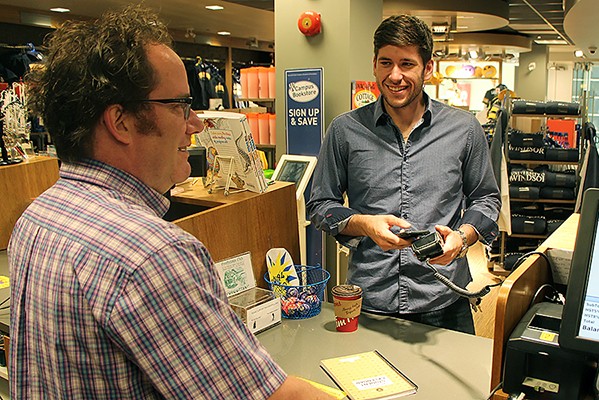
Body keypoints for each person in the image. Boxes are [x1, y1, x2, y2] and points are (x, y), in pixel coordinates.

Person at [8, 6, 333, 399]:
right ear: (121, 121)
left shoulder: (38, 217)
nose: (195, 123)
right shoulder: (152, 255)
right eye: (179, 105)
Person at [307, 14, 501, 334]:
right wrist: (365, 224)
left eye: (407, 64)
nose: (395, 76)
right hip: (370, 301)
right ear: (374, 64)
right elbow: (320, 205)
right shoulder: (345, 130)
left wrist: (462, 238)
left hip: (445, 302)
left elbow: (487, 199)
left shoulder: (464, 130)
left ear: (428, 68)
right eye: (386, 63)